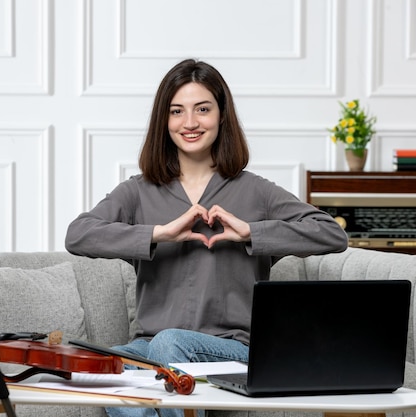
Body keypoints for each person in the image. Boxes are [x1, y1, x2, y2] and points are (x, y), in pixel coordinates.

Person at [65, 59, 349, 417]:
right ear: (164, 121)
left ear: (221, 115)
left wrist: (251, 232)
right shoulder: (138, 192)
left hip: (235, 351)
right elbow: (78, 235)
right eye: (177, 111)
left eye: (203, 109)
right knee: (101, 365)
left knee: (171, 343)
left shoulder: (255, 191)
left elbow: (331, 233)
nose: (190, 123)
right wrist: (159, 234)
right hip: (151, 348)